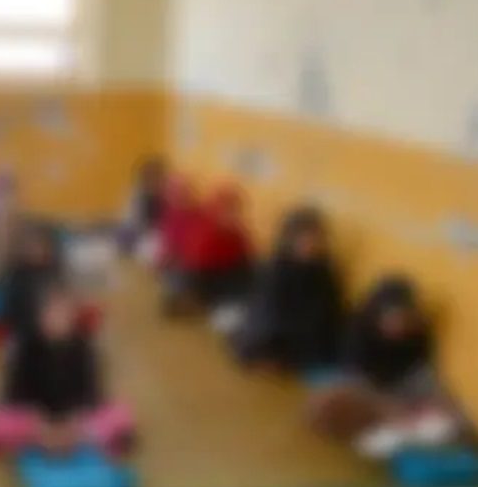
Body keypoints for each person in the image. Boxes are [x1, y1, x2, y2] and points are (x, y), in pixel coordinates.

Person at [0, 283, 133, 457]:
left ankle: (71, 439)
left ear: (72, 317)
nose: (58, 320)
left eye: (64, 315)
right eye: (51, 314)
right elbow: (13, 393)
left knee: (121, 414)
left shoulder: (85, 348)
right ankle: (49, 439)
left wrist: (73, 422)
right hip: (35, 421)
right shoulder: (25, 347)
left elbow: (92, 392)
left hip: (74, 422)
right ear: (40, 317)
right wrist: (40, 424)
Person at [307, 276, 460, 457]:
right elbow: (357, 378)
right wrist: (389, 409)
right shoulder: (359, 330)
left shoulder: (417, 333)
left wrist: (431, 404)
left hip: (399, 386)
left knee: (440, 420)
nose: (397, 326)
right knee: (332, 407)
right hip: (366, 386)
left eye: (403, 319)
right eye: (391, 319)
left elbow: (421, 371)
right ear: (378, 315)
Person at [235, 206, 344, 371]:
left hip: (309, 330)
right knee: (265, 339)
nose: (310, 245)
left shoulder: (323, 269)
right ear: (290, 239)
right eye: (303, 239)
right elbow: (269, 310)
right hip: (282, 329)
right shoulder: (275, 267)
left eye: (315, 239)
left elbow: (331, 305)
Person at [162, 185, 254, 320]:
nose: (234, 216)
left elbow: (246, 262)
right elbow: (196, 265)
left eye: (235, 210)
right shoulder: (205, 231)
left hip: (223, 281)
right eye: (229, 211)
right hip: (212, 282)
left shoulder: (236, 234)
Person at [0, 218, 65, 342]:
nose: (35, 250)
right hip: (24, 330)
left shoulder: (53, 272)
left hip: (50, 331)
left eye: (40, 246)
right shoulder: (18, 274)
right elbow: (12, 308)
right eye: (32, 245)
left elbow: (61, 303)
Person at [118, 156, 166, 254]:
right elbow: (131, 223)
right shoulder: (137, 197)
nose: (153, 181)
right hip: (141, 242)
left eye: (156, 176)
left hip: (157, 243)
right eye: (149, 176)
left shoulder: (166, 198)